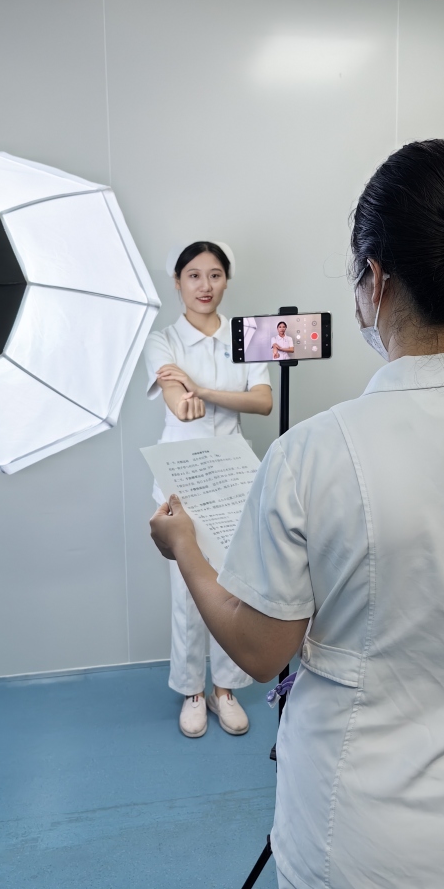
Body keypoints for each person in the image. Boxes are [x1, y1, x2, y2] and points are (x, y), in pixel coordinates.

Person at [149, 140, 444, 889]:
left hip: (354, 850)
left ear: (374, 279)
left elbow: (263, 651)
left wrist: (185, 547)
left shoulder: (312, 454)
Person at [144, 240, 272, 739]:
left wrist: (202, 389)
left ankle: (226, 689)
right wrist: (189, 395)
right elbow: (177, 402)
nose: (205, 285)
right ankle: (192, 691)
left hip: (234, 472)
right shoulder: (162, 340)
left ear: (226, 280)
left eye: (215, 274)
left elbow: (262, 401)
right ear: (177, 282)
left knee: (235, 584)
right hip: (180, 475)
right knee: (187, 589)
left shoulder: (248, 335)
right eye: (193, 275)